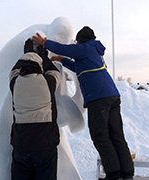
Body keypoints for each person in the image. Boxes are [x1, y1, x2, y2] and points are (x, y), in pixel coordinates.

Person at [32, 27, 134, 180]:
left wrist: (45, 42)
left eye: (77, 42)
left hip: (98, 98)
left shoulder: (85, 48)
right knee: (116, 134)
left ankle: (113, 173)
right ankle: (127, 172)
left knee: (100, 135)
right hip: (112, 96)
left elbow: (64, 48)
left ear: (81, 40)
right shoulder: (94, 52)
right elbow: (77, 67)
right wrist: (61, 60)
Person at [9, 38, 61, 180]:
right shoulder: (48, 82)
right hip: (45, 143)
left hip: (21, 144)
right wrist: (43, 56)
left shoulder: (15, 83)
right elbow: (55, 72)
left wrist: (28, 54)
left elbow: (13, 71)